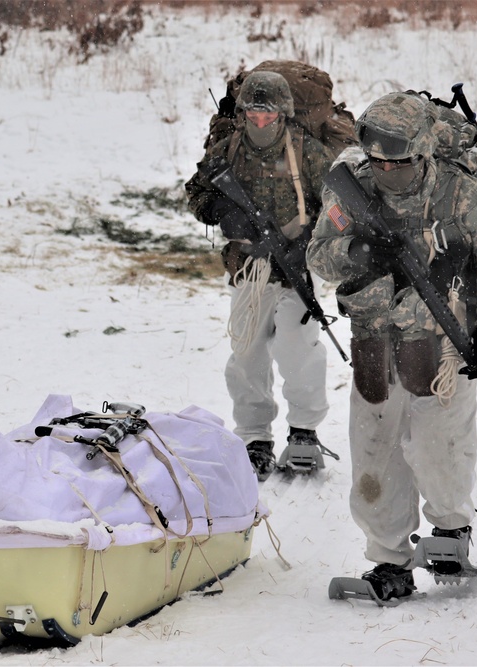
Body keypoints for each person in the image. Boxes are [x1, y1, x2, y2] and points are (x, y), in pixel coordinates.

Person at [306, 91, 477, 601]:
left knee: (438, 447)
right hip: (373, 342)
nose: (385, 168)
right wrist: (358, 249)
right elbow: (320, 254)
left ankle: (450, 532)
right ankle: (388, 560)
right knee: (375, 456)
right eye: (377, 159)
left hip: (442, 344)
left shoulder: (461, 196)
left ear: (422, 152)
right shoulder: (350, 193)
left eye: (397, 161)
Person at [185, 70, 333, 480]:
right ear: (244, 113)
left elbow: (341, 204)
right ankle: (254, 437)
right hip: (249, 266)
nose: (261, 123)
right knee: (246, 353)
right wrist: (220, 211)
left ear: (283, 114)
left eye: (269, 117)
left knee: (297, 345)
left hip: (297, 266)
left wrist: (310, 242)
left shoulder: (307, 152)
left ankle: (304, 431)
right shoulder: (227, 149)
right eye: (253, 115)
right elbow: (197, 192)